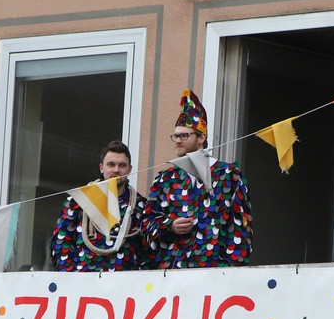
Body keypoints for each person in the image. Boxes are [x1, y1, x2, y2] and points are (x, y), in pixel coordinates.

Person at [142, 89, 252, 268]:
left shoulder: (229, 175)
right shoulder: (165, 179)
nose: (177, 140)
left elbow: (241, 232)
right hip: (171, 275)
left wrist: (234, 275)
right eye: (175, 136)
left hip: (215, 274)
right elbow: (146, 225)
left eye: (184, 135)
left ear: (202, 137)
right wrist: (170, 226)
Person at [51, 140, 147, 271]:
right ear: (102, 167)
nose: (116, 170)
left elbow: (147, 250)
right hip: (83, 285)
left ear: (129, 169)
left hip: (125, 285)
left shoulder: (140, 205)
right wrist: (71, 278)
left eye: (122, 165)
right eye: (111, 164)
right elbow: (60, 245)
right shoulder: (78, 201)